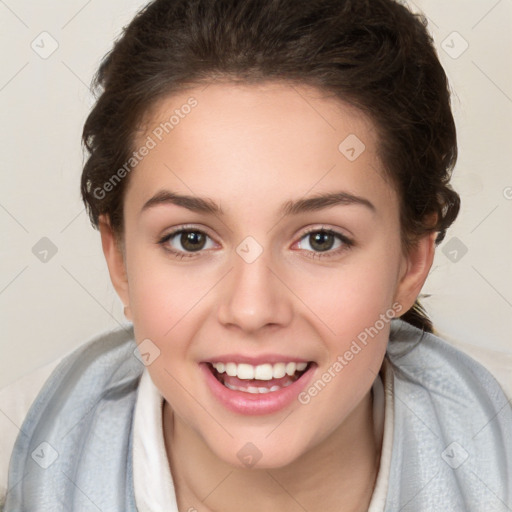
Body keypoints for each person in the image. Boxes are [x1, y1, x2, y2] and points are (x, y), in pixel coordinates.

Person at [2, 0, 512, 510]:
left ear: (410, 264)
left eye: (321, 240)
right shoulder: (18, 452)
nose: (251, 310)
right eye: (191, 239)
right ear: (120, 261)